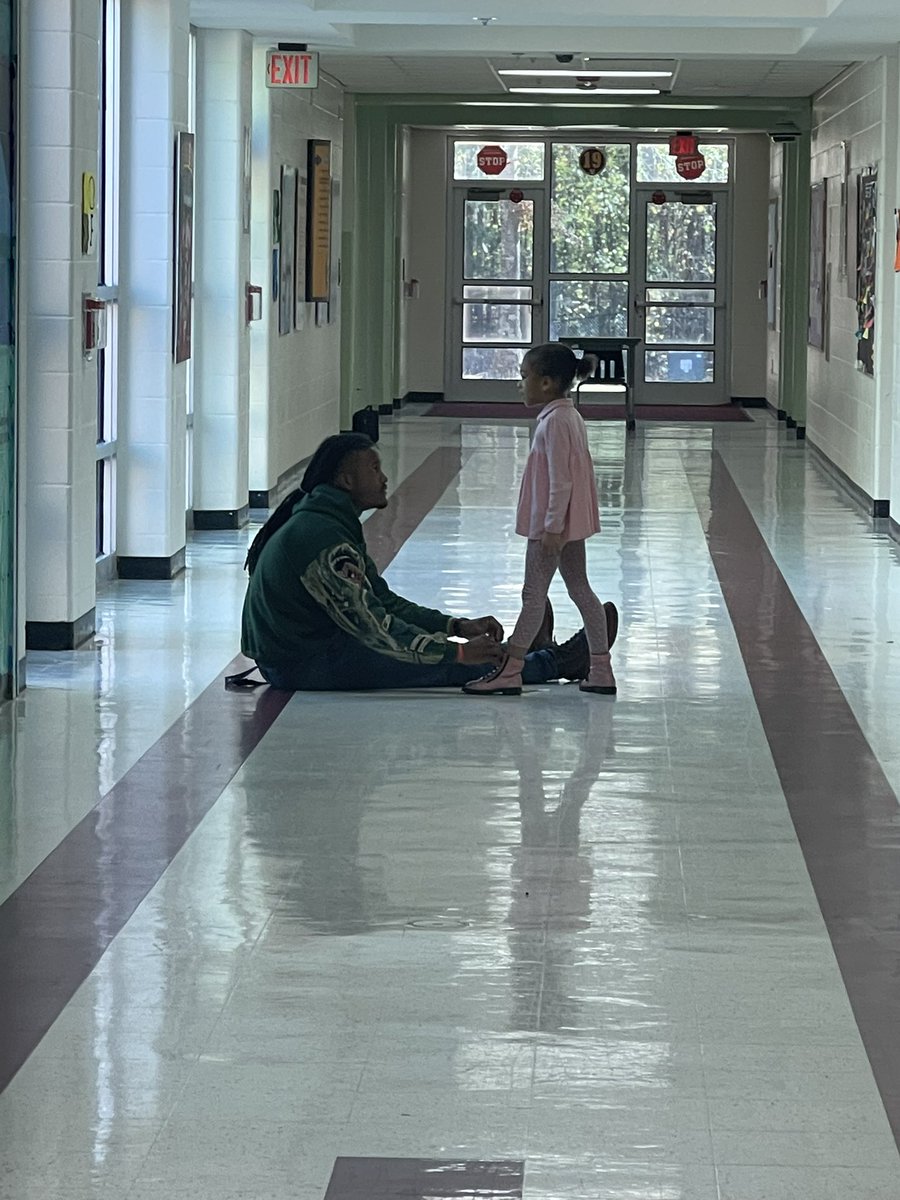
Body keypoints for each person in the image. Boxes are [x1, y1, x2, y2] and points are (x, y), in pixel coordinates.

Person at [238, 432, 591, 691]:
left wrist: (455, 626)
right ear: (346, 481)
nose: (384, 477)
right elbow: (374, 627)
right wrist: (458, 654)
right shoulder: (322, 537)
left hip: (310, 647)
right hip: (299, 664)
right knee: (435, 664)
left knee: (433, 651)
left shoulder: (328, 519)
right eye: (374, 469)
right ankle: (551, 663)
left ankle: (525, 652)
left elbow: (381, 600)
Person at [464, 342, 618, 698]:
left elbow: (561, 480)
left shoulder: (555, 424)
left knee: (533, 595)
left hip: (551, 527)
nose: (520, 384)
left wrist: (551, 527)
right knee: (580, 589)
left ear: (546, 383)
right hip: (568, 525)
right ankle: (600, 669)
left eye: (524, 376)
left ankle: (510, 670)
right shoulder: (568, 416)